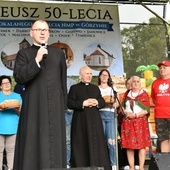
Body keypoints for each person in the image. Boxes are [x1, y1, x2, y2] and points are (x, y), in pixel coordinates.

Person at [13, 20, 67, 170]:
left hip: (55, 108)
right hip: (34, 108)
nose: (42, 33)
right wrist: (36, 60)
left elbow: (63, 81)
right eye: (38, 29)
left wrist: (63, 105)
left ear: (49, 33)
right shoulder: (23, 54)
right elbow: (19, 77)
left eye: (45, 30)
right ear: (31, 33)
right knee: (33, 142)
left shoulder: (58, 54)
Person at [67, 66, 111, 170]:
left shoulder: (95, 88)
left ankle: (97, 166)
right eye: (87, 73)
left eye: (91, 74)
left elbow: (102, 101)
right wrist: (83, 103)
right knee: (81, 144)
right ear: (80, 75)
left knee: (96, 143)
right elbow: (69, 103)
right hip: (80, 121)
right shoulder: (74, 88)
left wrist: (96, 102)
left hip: (95, 121)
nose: (89, 76)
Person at [121, 76, 151, 170]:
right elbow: (122, 108)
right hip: (128, 123)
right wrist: (125, 112)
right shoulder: (127, 94)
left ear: (140, 84)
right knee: (129, 146)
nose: (136, 83)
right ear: (130, 83)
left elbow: (146, 110)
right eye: (134, 81)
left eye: (138, 81)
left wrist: (136, 115)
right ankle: (131, 167)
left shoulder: (144, 94)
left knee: (141, 146)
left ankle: (141, 167)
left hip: (140, 122)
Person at [0, 75, 22, 170]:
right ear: (0, 86)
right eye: (4, 83)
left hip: (13, 127)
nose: (6, 85)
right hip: (0, 127)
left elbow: (21, 112)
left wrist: (17, 110)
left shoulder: (17, 96)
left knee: (11, 150)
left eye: (8, 83)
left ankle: (11, 168)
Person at [98, 69, 118, 170]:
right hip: (100, 114)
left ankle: (113, 163)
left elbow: (117, 103)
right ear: (99, 77)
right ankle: (102, 164)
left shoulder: (113, 89)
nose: (105, 77)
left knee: (111, 141)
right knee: (101, 140)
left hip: (110, 114)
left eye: (106, 75)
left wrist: (113, 103)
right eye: (103, 75)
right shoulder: (96, 89)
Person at [118, 78, 139, 170]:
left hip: (136, 120)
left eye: (133, 83)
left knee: (137, 142)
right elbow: (118, 106)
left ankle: (137, 163)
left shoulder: (139, 94)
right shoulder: (122, 94)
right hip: (123, 121)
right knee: (125, 142)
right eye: (129, 83)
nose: (131, 85)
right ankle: (126, 163)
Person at [151, 60, 170, 153]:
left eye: (164, 67)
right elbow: (154, 98)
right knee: (163, 139)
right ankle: (166, 164)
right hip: (160, 115)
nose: (162, 69)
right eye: (160, 68)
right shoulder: (155, 82)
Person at [65, 78, 76, 168]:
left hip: (68, 113)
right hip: (54, 113)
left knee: (67, 139)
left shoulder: (72, 82)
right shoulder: (51, 80)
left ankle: (67, 162)